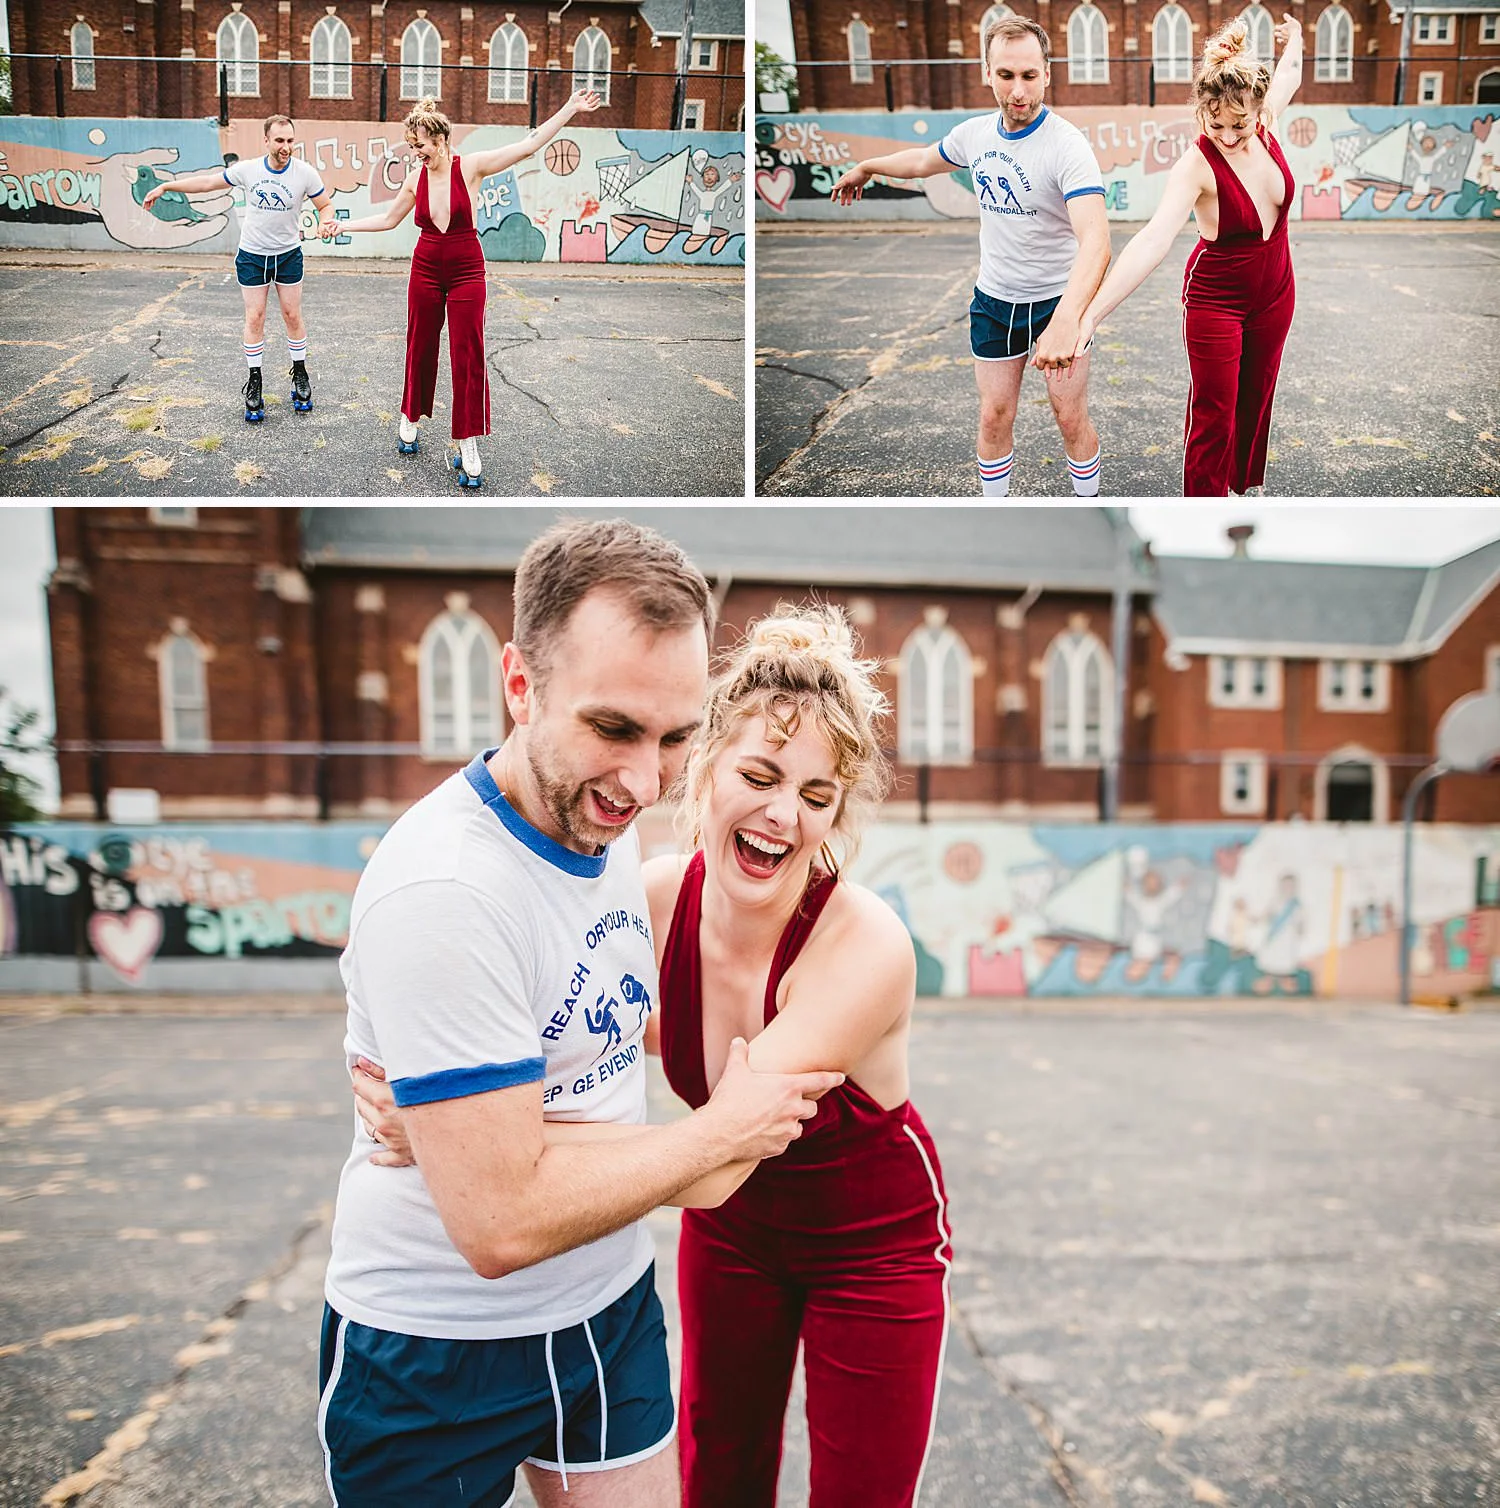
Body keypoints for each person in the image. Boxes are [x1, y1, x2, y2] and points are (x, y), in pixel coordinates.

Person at [358, 605, 952, 1508]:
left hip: (870, 1247)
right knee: (717, 1478)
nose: (783, 814)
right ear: (705, 767)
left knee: (861, 1494)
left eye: (816, 796)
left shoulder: (862, 947)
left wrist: (472, 1140)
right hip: (735, 1237)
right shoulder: (646, 902)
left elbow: (715, 1163)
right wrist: (465, 1128)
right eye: (758, 774)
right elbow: (573, 1072)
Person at [829, 15, 1110, 498]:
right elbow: (921, 160)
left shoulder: (1067, 147)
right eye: (1005, 76)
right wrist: (866, 166)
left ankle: (1089, 495)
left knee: (1069, 415)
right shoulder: (976, 134)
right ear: (987, 73)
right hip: (995, 302)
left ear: (1047, 73)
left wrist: (1067, 319)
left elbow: (1097, 240)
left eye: (1028, 75)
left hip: (1056, 303)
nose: (1018, 91)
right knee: (994, 414)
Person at [1073, 15, 1303, 496]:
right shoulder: (1195, 166)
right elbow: (1154, 240)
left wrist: (1296, 38)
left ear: (1257, 111)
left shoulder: (1266, 123)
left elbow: (1289, 74)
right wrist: (1090, 315)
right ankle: (1203, 507)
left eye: (1240, 123)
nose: (1229, 134)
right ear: (1202, 112)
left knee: (1256, 400)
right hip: (1216, 303)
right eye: (1215, 122)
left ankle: (1238, 495)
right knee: (1215, 413)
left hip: (1276, 296)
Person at [339, 91, 601, 488]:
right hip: (425, 266)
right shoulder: (415, 179)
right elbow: (389, 220)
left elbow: (529, 145)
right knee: (420, 344)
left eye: (420, 146)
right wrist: (343, 227)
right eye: (412, 147)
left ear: (440, 139)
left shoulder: (472, 168)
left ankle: (467, 438)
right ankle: (410, 415)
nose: (416, 154)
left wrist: (569, 109)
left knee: (469, 352)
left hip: (466, 269)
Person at [144, 114, 337, 422]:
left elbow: (325, 205)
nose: (286, 147)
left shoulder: (305, 173)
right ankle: (255, 379)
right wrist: (166, 186)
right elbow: (208, 182)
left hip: (288, 254)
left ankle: (300, 373)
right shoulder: (248, 170)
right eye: (279, 141)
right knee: (255, 316)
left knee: (292, 315)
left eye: (290, 140)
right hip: (252, 255)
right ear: (266, 140)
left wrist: (327, 221)